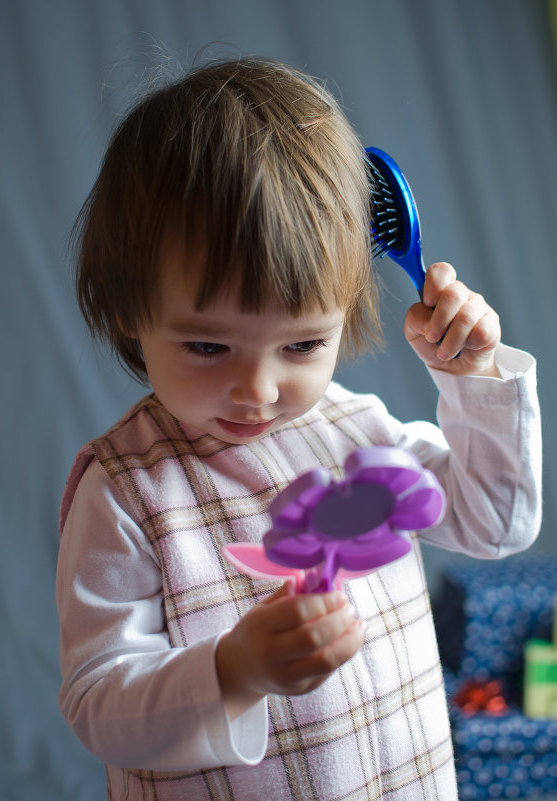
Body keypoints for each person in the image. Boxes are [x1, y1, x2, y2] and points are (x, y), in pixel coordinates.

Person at [56, 57, 542, 801]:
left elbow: (495, 522)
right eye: (207, 345)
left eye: (302, 345)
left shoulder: (360, 434)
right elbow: (98, 704)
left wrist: (474, 384)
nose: (257, 388)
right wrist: (233, 670)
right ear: (130, 310)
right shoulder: (127, 492)